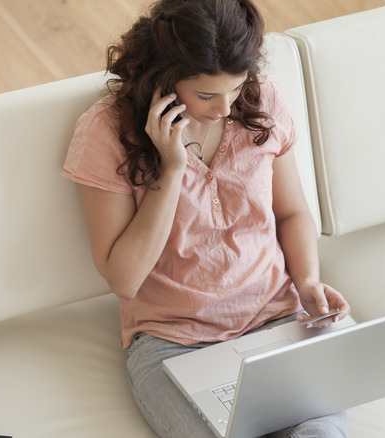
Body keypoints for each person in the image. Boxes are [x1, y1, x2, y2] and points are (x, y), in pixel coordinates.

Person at [61, 0, 351, 436]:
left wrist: (307, 281)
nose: (224, 107)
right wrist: (171, 167)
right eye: (206, 94)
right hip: (174, 344)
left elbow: (291, 213)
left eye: (235, 88)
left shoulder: (262, 100)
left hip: (277, 318)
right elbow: (123, 278)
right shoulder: (107, 131)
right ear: (164, 77)